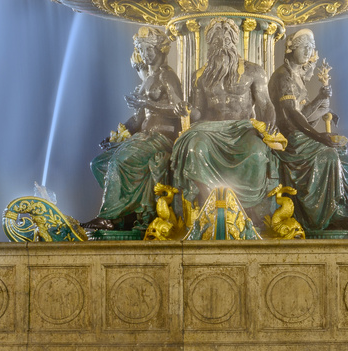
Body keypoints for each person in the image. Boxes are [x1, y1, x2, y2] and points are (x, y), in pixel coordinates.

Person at [169, 19, 280, 218]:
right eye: (216, 40)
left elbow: (266, 104)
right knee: (195, 148)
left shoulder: (254, 71)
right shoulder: (200, 76)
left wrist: (270, 121)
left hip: (242, 129)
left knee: (256, 153)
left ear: (235, 42)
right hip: (209, 130)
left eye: (227, 39)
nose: (222, 44)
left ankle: (247, 210)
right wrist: (185, 109)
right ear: (209, 44)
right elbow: (198, 112)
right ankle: (211, 206)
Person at [268, 29, 348, 234]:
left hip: (302, 134)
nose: (308, 51)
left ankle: (346, 209)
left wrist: (321, 100)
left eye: (311, 48)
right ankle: (326, 216)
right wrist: (318, 135)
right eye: (304, 47)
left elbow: (304, 114)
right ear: (291, 48)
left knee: (345, 158)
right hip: (289, 139)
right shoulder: (282, 76)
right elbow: (291, 113)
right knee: (329, 155)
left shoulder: (297, 77)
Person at [87, 28, 184, 230]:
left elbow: (179, 110)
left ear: (161, 49)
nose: (146, 54)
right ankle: (127, 215)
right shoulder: (148, 79)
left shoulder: (167, 76)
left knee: (119, 162)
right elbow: (139, 117)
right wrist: (118, 134)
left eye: (150, 49)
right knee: (99, 163)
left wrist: (148, 104)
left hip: (160, 137)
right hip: (143, 137)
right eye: (142, 49)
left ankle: (108, 217)